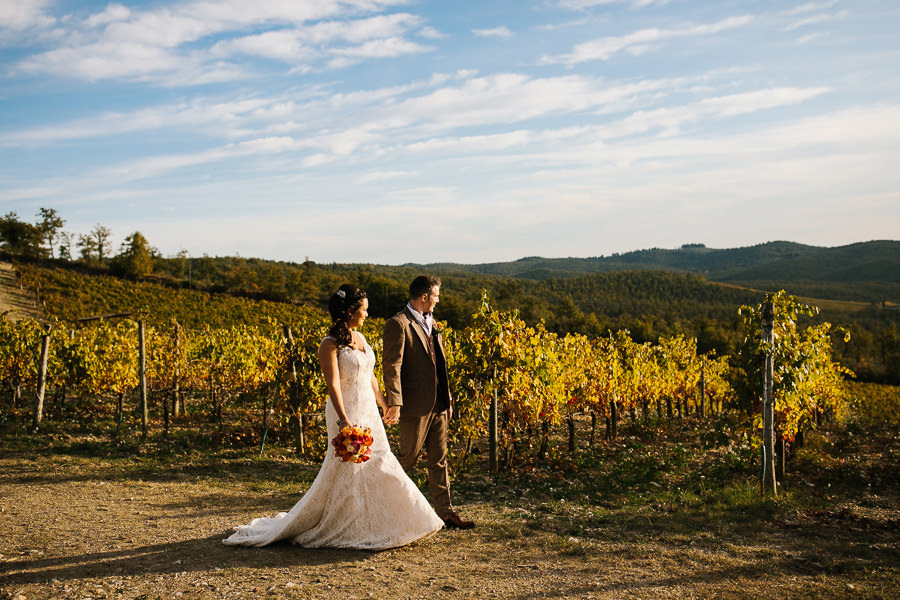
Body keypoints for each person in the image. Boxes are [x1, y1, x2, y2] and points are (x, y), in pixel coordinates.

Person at [223, 284, 443, 550]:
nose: (367, 314)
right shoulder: (329, 344)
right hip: (345, 410)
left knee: (381, 462)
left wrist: (384, 404)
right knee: (348, 470)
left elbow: (370, 376)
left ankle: (402, 519)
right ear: (350, 311)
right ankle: (348, 524)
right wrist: (343, 419)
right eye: (364, 310)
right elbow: (334, 385)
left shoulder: (360, 338)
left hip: (368, 411)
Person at [382, 275, 475, 530]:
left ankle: (445, 513)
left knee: (439, 460)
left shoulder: (433, 323)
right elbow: (392, 365)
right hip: (413, 405)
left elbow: (441, 365)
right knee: (407, 457)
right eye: (435, 296)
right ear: (424, 297)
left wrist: (448, 399)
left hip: (439, 405)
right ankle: (382, 506)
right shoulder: (398, 324)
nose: (437, 300)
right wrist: (395, 401)